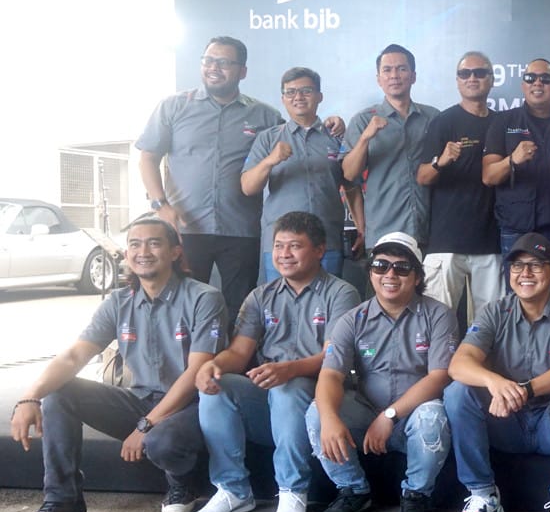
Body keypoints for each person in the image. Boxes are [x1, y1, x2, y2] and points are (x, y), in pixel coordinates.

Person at [8, 217, 226, 512]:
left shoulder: (203, 297)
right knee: (60, 392)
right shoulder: (119, 302)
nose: (143, 251)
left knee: (160, 441)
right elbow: (74, 356)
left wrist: (146, 425)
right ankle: (64, 502)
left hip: (191, 406)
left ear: (175, 252)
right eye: (135, 244)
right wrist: (30, 396)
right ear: (126, 254)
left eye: (154, 243)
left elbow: (197, 371)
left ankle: (184, 482)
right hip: (138, 401)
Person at [190, 212, 359, 512]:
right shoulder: (260, 296)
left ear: (319, 250)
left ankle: (292, 490)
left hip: (319, 398)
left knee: (288, 387)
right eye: (279, 246)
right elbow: (239, 353)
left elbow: (334, 356)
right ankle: (232, 490)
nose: (284, 254)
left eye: (295, 246)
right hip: (269, 396)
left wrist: (290, 369)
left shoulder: (341, 293)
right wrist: (214, 365)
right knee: (218, 386)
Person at [444, 233, 550, 512]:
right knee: (457, 391)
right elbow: (458, 364)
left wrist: (525, 389)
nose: (525, 273)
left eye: (535, 265)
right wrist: (495, 382)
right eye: (517, 266)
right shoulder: (494, 311)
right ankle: (483, 495)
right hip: (507, 421)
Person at [304, 232, 456, 512]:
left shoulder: (439, 315)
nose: (390, 274)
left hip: (413, 416)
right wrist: (330, 418)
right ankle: (354, 491)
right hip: (366, 412)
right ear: (370, 272)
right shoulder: (351, 319)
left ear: (417, 277)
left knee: (432, 415)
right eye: (381, 265)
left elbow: (439, 376)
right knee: (317, 413)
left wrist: (390, 415)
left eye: (401, 268)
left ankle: (416, 496)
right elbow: (330, 374)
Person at [137, 37, 285, 316]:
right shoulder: (173, 107)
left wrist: (331, 125)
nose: (214, 68)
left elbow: (296, 138)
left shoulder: (265, 116)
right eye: (208, 60)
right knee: (182, 308)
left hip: (241, 229)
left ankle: (231, 348)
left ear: (242, 71)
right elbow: (148, 157)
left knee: (240, 311)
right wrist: (160, 205)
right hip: (185, 229)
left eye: (224, 62)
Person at [241, 67, 365, 280]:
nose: (298, 97)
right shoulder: (268, 138)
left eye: (306, 91)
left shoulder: (336, 138)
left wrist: (362, 229)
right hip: (281, 247)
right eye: (290, 92)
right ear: (283, 99)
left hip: (327, 242)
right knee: (280, 300)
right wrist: (271, 160)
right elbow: (248, 187)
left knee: (328, 299)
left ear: (319, 96)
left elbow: (352, 187)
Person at [482, 58, 550, 297]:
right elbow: (488, 176)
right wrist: (512, 160)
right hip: (516, 228)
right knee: (519, 299)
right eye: (531, 78)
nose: (538, 83)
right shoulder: (503, 122)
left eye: (545, 79)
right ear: (523, 85)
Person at [416, 51, 502, 320]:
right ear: (457, 81)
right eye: (465, 73)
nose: (472, 78)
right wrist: (440, 162)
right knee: (436, 321)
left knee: (490, 324)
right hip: (447, 240)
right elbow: (422, 177)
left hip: (489, 241)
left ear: (491, 79)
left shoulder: (501, 123)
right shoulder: (443, 121)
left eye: (480, 72)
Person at [343, 44, 439, 249]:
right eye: (387, 70)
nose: (394, 75)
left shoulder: (433, 117)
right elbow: (349, 174)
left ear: (413, 76)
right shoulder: (363, 120)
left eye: (401, 69)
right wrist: (365, 138)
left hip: (430, 231)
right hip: (383, 232)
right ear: (379, 79)